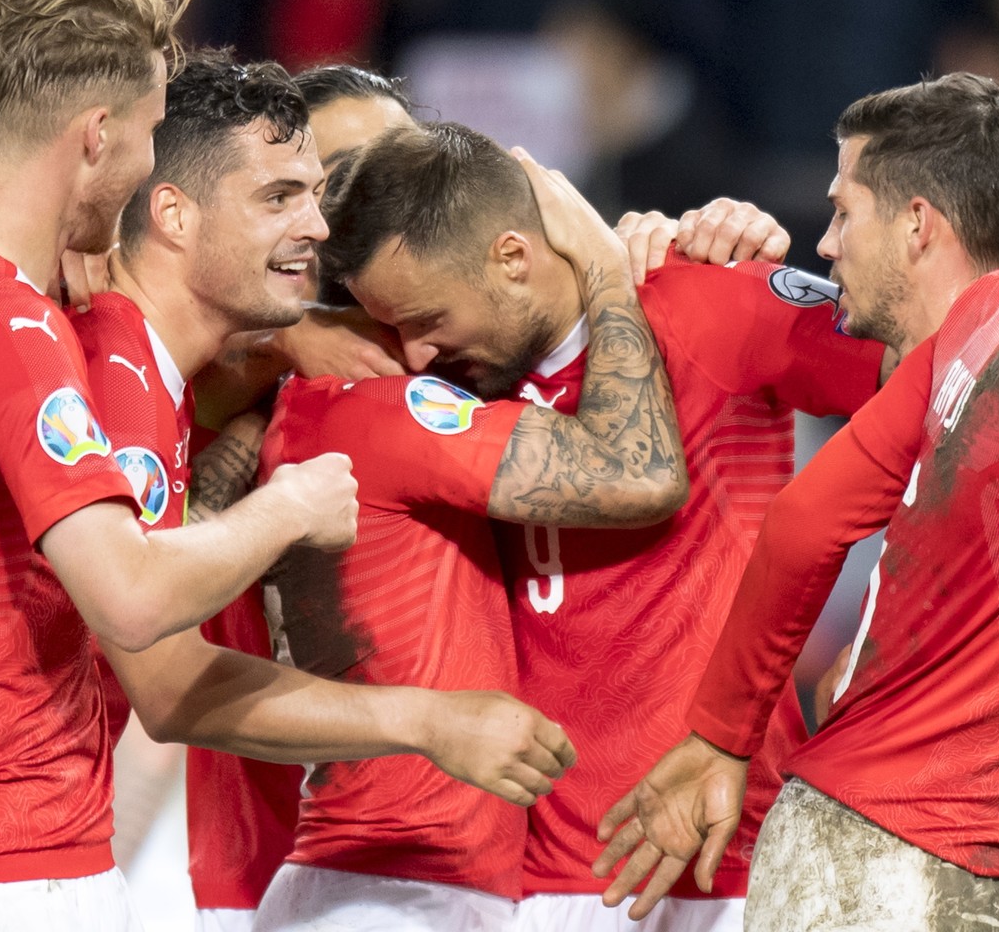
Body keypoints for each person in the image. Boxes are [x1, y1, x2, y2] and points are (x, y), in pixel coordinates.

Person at [0, 0, 570, 931]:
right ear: (104, 144)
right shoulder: (42, 346)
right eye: (146, 140)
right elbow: (149, 637)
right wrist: (294, 521)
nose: (319, 226)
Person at [320, 120, 890, 932]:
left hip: (731, 863)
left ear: (513, 257)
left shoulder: (710, 298)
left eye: (426, 318)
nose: (412, 355)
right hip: (533, 879)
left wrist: (887, 637)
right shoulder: (441, 383)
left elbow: (947, 385)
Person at [592, 73, 999, 932]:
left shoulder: (991, 327)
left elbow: (801, 523)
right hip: (934, 853)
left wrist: (719, 740)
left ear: (917, 224)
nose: (824, 241)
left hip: (846, 839)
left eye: (846, 213)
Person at [252, 132, 689, 932]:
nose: (420, 349)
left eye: (427, 316)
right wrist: (603, 272)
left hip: (400, 882)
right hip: (391, 890)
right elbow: (640, 475)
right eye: (403, 320)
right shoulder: (387, 408)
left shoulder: (305, 403)